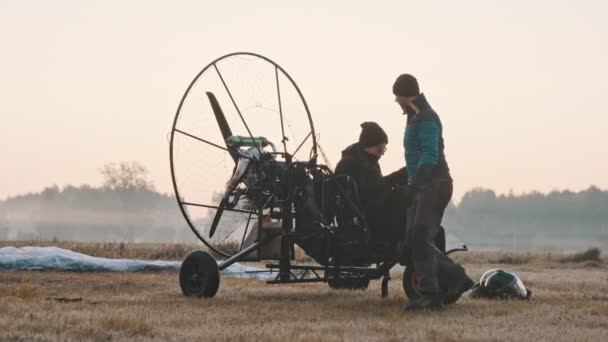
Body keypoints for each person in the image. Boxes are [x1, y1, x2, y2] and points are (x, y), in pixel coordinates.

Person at [393, 74, 473, 310]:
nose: (396, 102)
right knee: (413, 240)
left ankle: (434, 293)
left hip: (433, 185)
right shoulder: (415, 117)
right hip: (421, 185)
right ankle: (445, 285)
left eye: (398, 97)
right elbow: (416, 157)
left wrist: (413, 186)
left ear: (409, 95)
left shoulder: (426, 118)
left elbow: (430, 155)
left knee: (420, 238)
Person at [334, 122, 407, 245]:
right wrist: (397, 176)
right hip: (362, 218)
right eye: (380, 148)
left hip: (368, 213)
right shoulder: (351, 164)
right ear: (368, 145)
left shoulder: (367, 161)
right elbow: (370, 192)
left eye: (384, 148)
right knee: (401, 195)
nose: (382, 152)